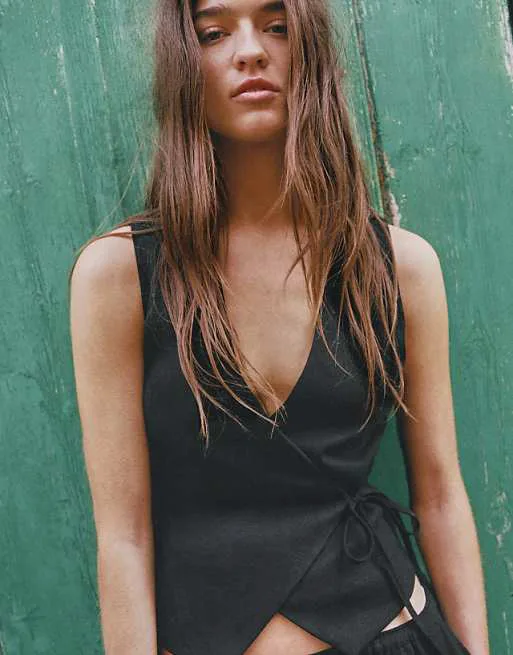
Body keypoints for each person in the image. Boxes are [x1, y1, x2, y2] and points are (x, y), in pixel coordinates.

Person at [68, 1, 489, 653]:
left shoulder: (398, 267)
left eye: (277, 26)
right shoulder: (120, 274)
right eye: (214, 33)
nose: (250, 51)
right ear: (182, 61)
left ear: (311, 49)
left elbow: (438, 496)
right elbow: (123, 535)